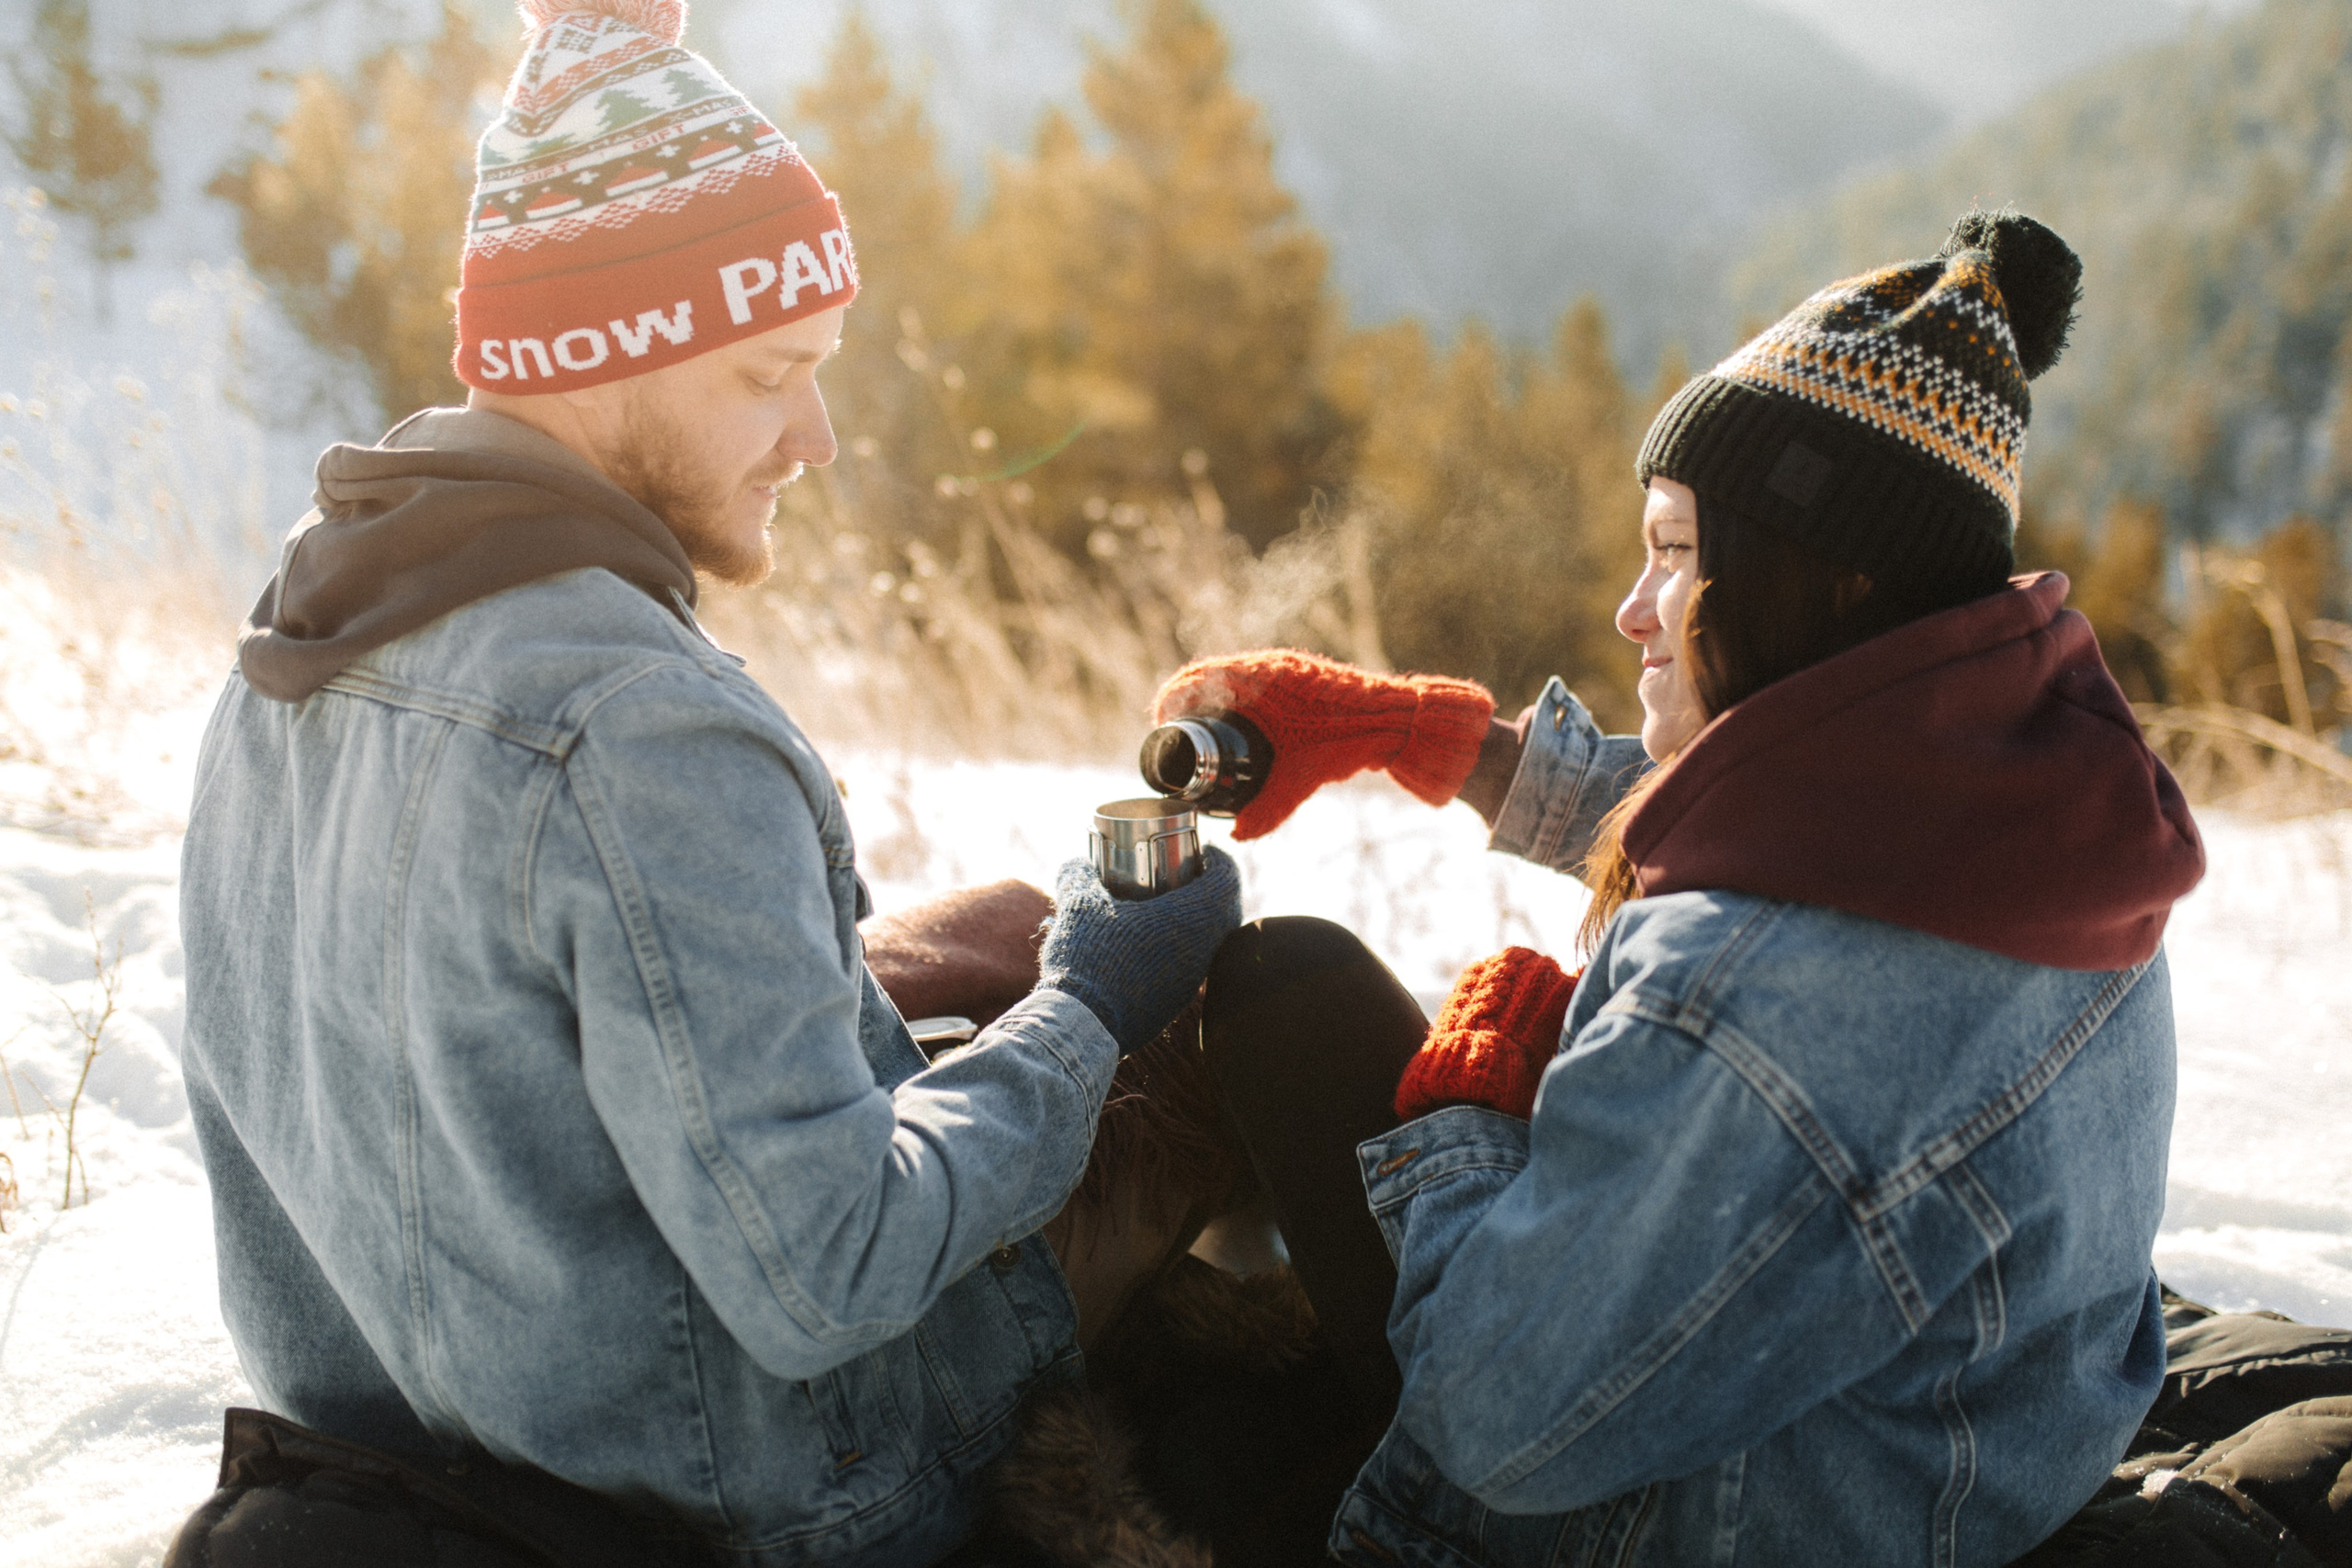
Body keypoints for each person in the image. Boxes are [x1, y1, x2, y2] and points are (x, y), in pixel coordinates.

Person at [175, 3, 1239, 1564]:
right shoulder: (648, 728)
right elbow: (827, 1275)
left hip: (393, 1420)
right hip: (769, 1491)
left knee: (1000, 926)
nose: (814, 435)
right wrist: (1092, 1009)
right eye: (767, 374)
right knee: (1213, 1044)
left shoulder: (305, 628)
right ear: (605, 362)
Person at [1171, 211, 2209, 1566]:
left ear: (1815, 579)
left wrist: (1471, 1124)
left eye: (1672, 550)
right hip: (1981, 1455)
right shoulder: (2039, 810)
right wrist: (1423, 741)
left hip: (1733, 1524)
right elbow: (1788, 822)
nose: (1631, 610)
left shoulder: (1742, 991)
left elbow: (1495, 1418)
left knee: (1281, 1001)